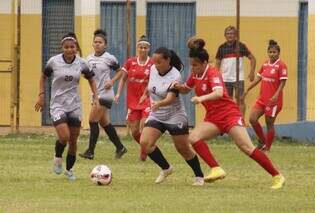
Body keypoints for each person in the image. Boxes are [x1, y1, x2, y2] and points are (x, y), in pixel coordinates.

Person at [173, 37, 285, 189]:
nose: (193, 68)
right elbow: (186, 88)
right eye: (191, 65)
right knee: (193, 137)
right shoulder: (195, 74)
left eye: (196, 65)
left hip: (229, 115)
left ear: (205, 63)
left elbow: (219, 93)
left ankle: (277, 176)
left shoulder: (212, 73)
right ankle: (216, 168)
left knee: (246, 147)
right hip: (213, 118)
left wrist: (201, 98)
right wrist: (177, 86)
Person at [35, 32, 98, 180]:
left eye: (72, 47)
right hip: (57, 104)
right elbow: (43, 77)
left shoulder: (82, 63)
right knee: (64, 136)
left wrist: (96, 95)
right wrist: (41, 95)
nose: (70, 50)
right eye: (66, 47)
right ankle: (57, 158)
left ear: (76, 47)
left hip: (74, 105)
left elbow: (91, 79)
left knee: (73, 140)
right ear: (62, 48)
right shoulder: (53, 62)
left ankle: (69, 170)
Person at [139, 47, 205, 186]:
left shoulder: (175, 76)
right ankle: (166, 168)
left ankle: (199, 176)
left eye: (159, 62)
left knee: (183, 148)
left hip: (174, 115)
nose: (155, 65)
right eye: (154, 61)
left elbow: (170, 98)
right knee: (145, 143)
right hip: (157, 115)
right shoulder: (152, 69)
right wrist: (145, 94)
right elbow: (151, 85)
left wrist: (158, 104)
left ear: (168, 60)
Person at [79, 29, 127, 160]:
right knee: (105, 123)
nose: (97, 44)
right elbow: (87, 75)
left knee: (92, 121)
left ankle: (90, 151)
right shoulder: (88, 59)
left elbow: (120, 72)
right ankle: (120, 147)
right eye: (95, 42)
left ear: (105, 45)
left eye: (100, 42)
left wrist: (112, 81)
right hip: (95, 94)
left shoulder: (109, 58)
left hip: (105, 95)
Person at [243, 40, 287, 151]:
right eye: (270, 52)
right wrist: (248, 88)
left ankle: (267, 147)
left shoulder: (281, 65)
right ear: (267, 52)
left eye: (274, 52)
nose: (272, 54)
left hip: (273, 101)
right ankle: (262, 141)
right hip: (262, 99)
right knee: (252, 119)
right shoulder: (265, 64)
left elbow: (283, 82)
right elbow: (258, 78)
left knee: (269, 123)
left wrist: (276, 95)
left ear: (278, 53)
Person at [115, 35, 153, 160]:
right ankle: (146, 146)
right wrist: (118, 93)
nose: (143, 49)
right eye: (141, 47)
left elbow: (153, 82)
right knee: (135, 132)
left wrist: (145, 94)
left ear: (148, 49)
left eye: (145, 47)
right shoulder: (130, 61)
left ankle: (144, 152)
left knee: (144, 126)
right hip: (132, 101)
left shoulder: (152, 63)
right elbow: (123, 79)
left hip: (146, 100)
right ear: (138, 48)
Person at [215, 25, 256, 115]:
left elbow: (252, 58)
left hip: (238, 78)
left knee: (240, 99)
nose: (230, 35)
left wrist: (252, 72)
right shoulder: (221, 48)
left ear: (236, 35)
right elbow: (217, 63)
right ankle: (230, 120)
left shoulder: (240, 46)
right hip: (225, 78)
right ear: (225, 35)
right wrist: (217, 77)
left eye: (232, 33)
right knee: (227, 101)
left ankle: (241, 121)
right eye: (228, 33)